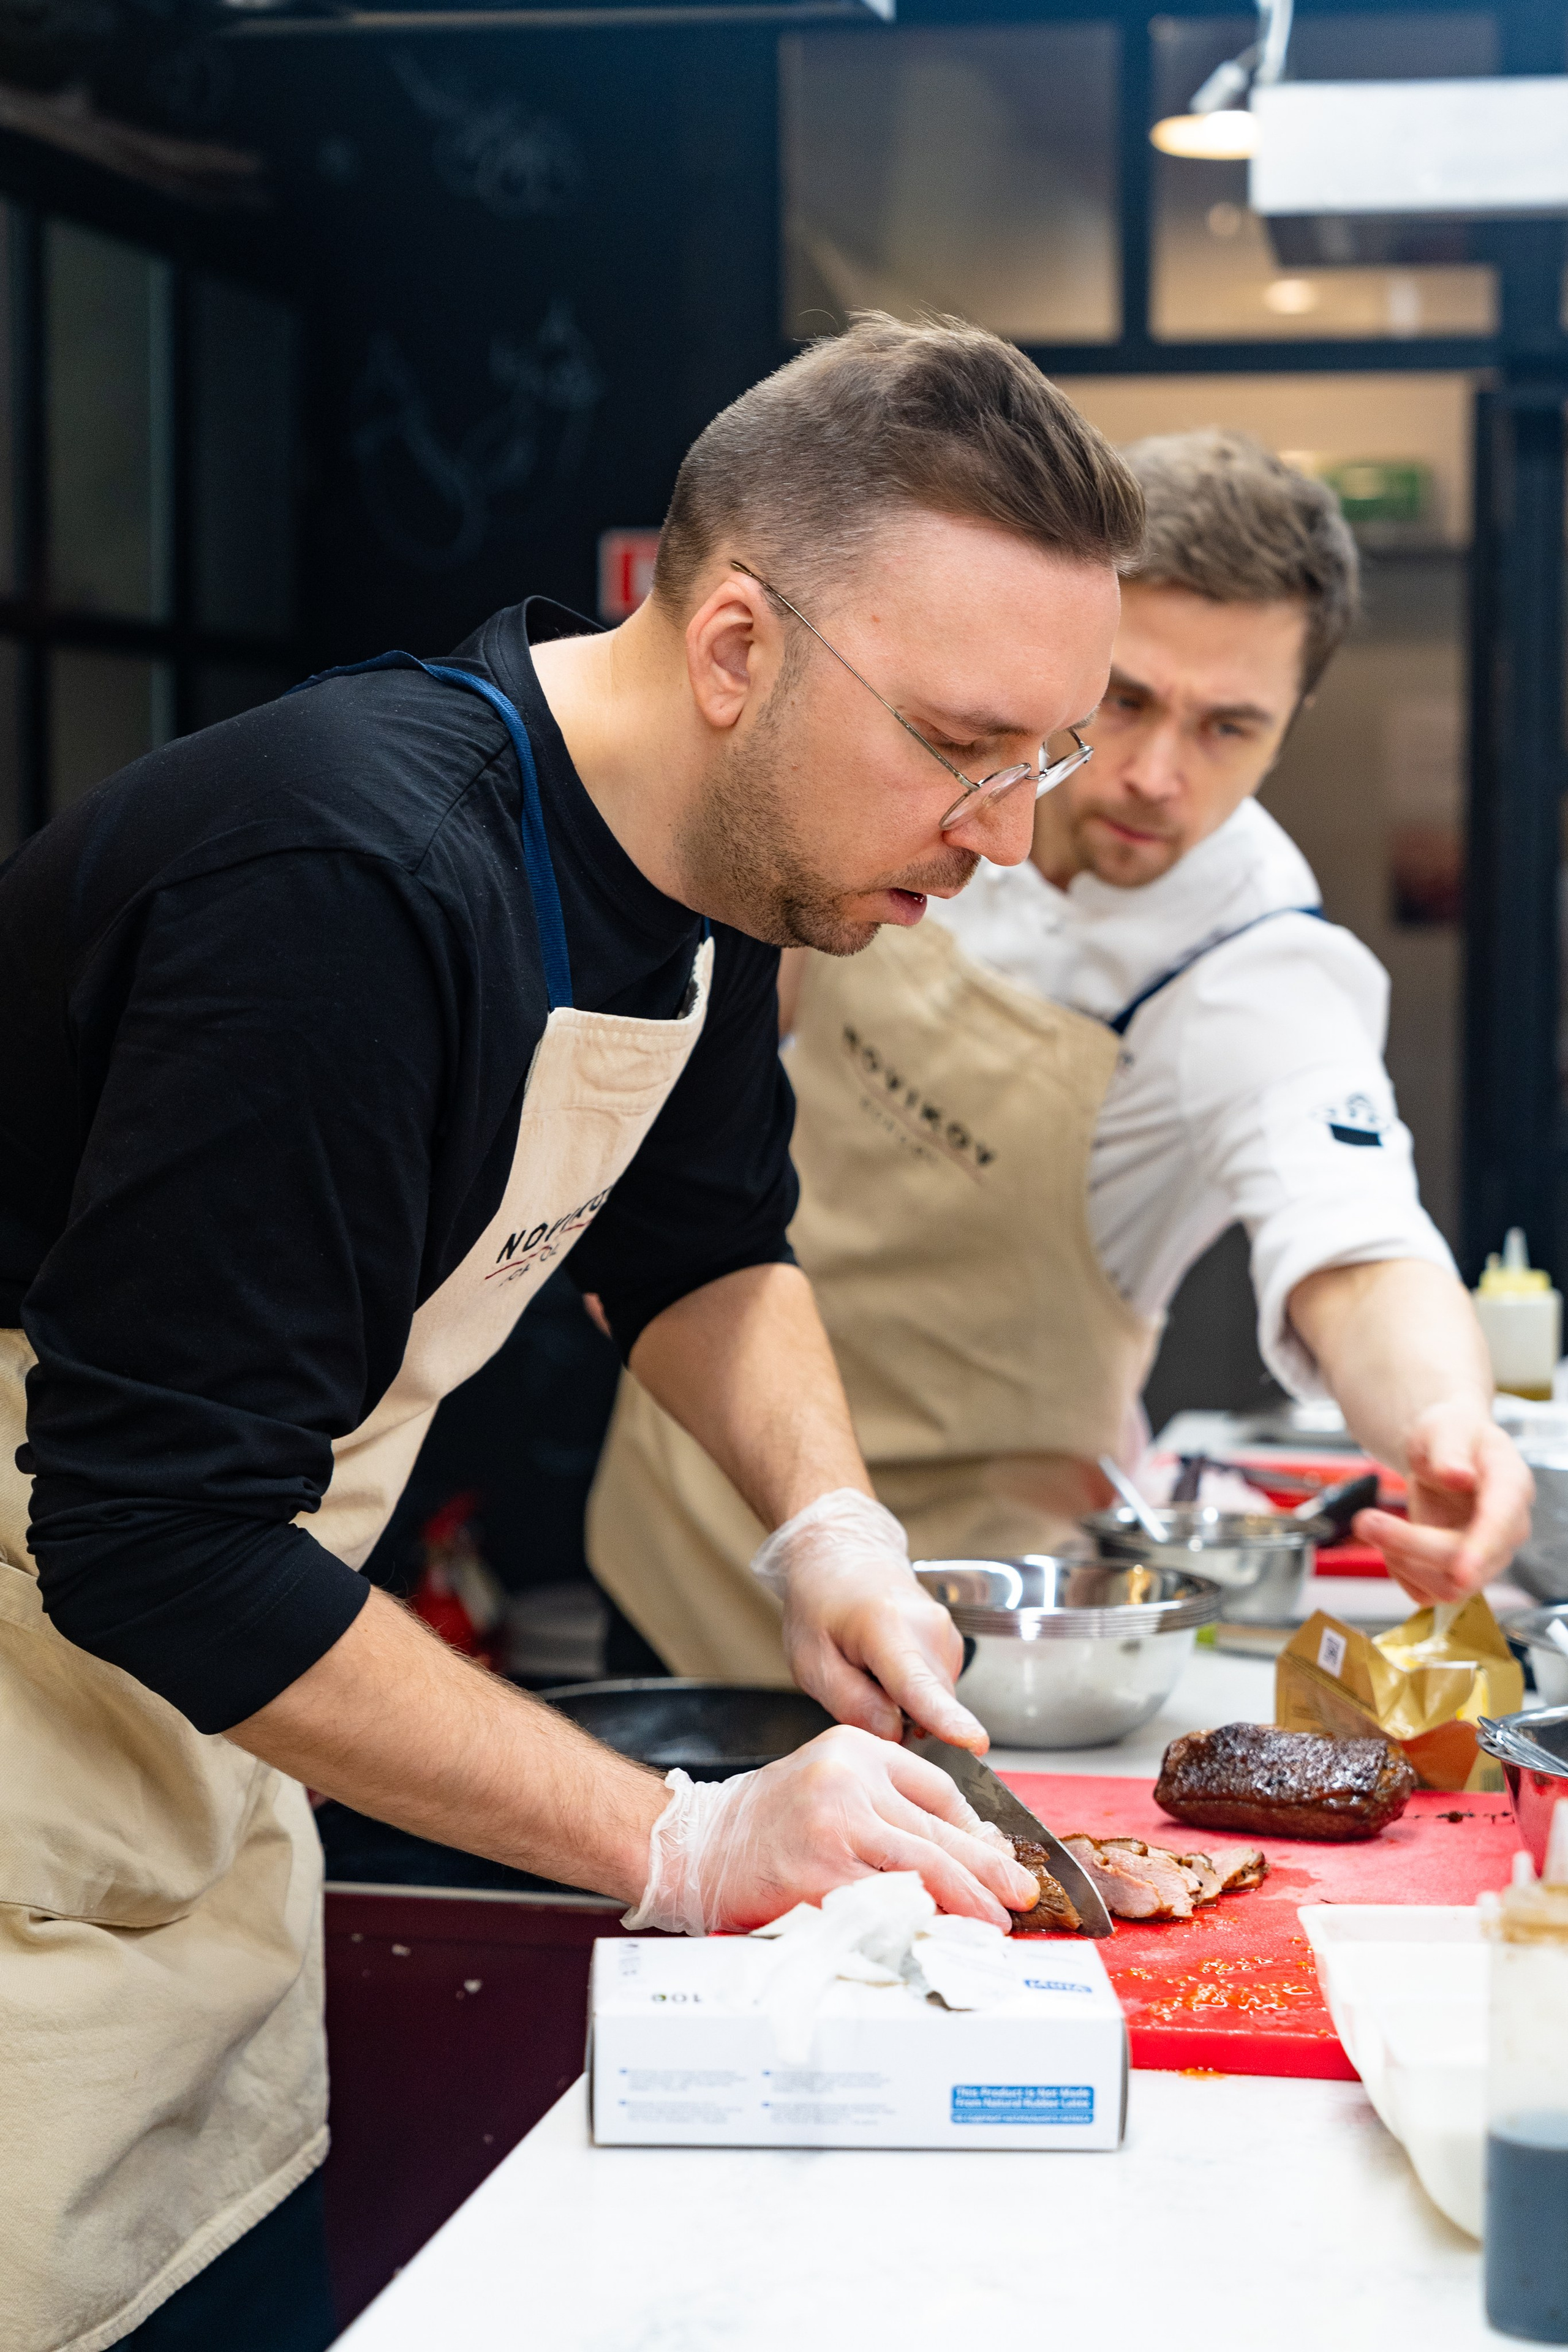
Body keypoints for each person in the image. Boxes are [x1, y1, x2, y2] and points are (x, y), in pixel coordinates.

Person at [0, 315, 1138, 2352]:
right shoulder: (348, 887)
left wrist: (830, 1532)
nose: (1009, 840)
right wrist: (685, 1839)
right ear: (730, 648)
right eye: (970, 751)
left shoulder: (707, 871)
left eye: (1036, 763)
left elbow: (705, 1239)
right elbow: (152, 1536)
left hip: (185, 1786)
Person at [589, 427, 1534, 1682]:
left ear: (1290, 721)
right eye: (1126, 701)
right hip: (683, 1519)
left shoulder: (1255, 968)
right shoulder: (893, 783)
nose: (1152, 775)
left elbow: (1354, 1244)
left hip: (966, 1617)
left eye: (1225, 728)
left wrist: (1442, 1425)